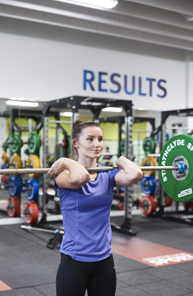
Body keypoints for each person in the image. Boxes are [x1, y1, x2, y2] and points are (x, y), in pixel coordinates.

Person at [47, 119, 143, 296]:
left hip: (104, 259)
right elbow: (80, 177)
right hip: (75, 259)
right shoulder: (63, 175)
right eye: (90, 139)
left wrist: (121, 159)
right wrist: (65, 161)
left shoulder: (107, 174)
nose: (97, 144)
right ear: (76, 143)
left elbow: (136, 174)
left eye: (100, 139)